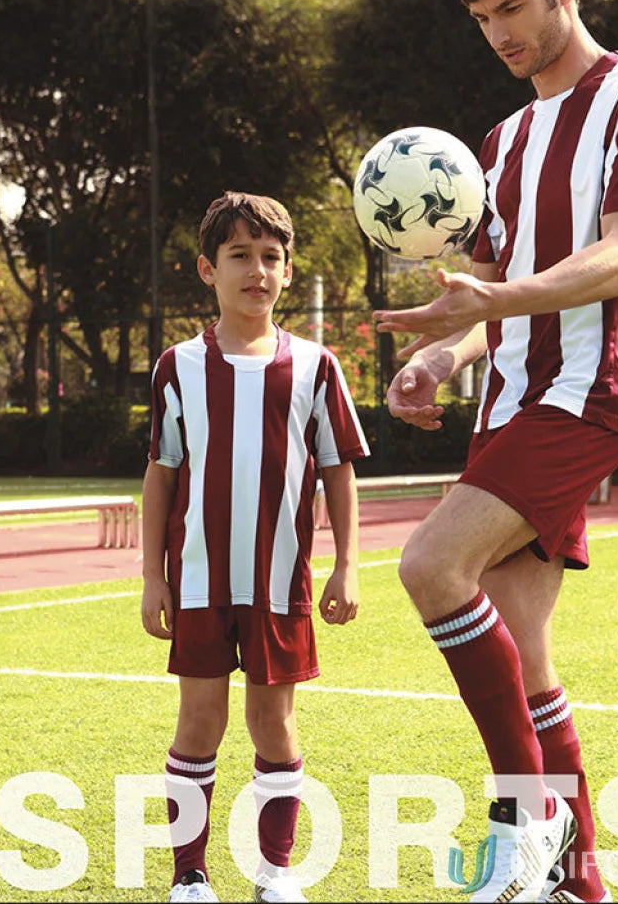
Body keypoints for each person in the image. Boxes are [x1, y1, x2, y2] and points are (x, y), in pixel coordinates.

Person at [373, 0, 618, 904]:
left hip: (584, 399)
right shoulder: (498, 143)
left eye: (511, 5)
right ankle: (577, 885)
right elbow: (484, 297)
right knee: (526, 656)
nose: (499, 32)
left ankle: (527, 815)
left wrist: (497, 301)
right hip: (510, 405)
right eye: (480, 18)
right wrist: (441, 354)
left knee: (428, 563)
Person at [142, 191, 369, 904]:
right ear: (208, 270)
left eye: (271, 257)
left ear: (289, 272)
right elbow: (161, 475)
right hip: (202, 582)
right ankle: (190, 877)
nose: (257, 270)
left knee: (274, 722)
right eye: (240, 255)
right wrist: (153, 577)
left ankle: (275, 874)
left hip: (281, 584)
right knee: (199, 720)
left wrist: (348, 565)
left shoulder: (315, 366)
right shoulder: (177, 365)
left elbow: (338, 471)